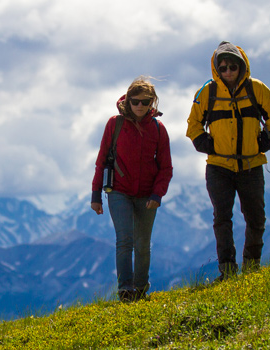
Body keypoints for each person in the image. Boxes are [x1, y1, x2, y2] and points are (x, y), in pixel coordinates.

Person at [186, 41, 270, 281]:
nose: (228, 71)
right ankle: (228, 272)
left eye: (232, 67)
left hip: (251, 165)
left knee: (256, 217)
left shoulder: (257, 89)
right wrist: (206, 145)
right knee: (222, 218)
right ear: (217, 69)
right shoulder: (206, 92)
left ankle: (252, 268)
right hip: (219, 167)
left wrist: (266, 141)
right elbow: (193, 124)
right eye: (223, 67)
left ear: (241, 66)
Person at [91, 76, 173, 302]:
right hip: (118, 191)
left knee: (143, 244)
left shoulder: (158, 129)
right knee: (125, 239)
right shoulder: (114, 124)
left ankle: (140, 288)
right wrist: (95, 195)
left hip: (148, 194)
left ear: (152, 103)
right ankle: (126, 291)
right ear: (127, 100)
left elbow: (166, 167)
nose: (139, 106)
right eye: (135, 101)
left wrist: (158, 194)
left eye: (145, 102)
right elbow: (101, 161)